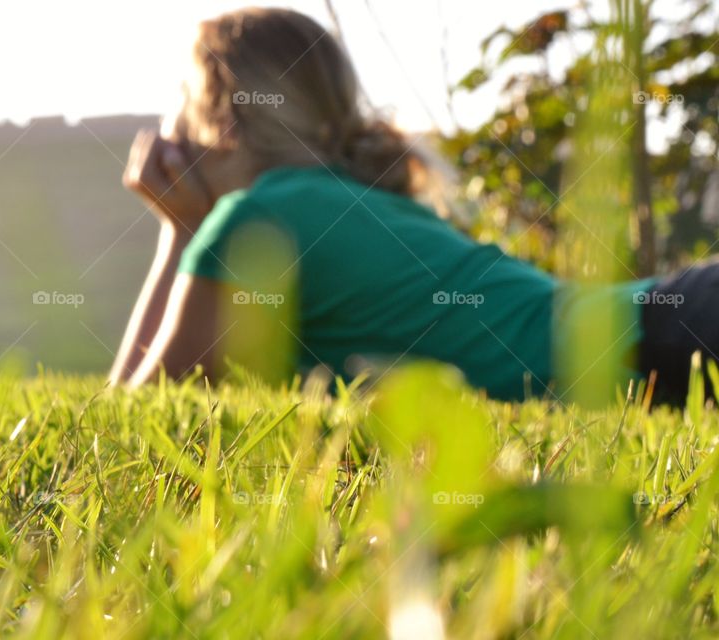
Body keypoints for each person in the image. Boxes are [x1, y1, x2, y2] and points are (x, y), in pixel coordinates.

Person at [108, 7, 717, 405]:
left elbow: (131, 414)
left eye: (179, 101)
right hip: (674, 322)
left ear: (221, 118)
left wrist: (182, 232)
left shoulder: (254, 218)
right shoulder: (355, 202)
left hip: (665, 349)